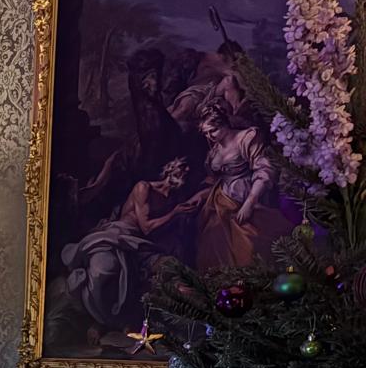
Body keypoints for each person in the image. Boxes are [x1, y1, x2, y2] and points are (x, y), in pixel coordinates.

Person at [61, 158, 196, 337]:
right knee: (105, 269)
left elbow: (159, 231)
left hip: (143, 246)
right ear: (170, 168)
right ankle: (103, 321)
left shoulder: (173, 199)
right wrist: (175, 213)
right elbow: (146, 226)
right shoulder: (144, 187)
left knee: (171, 267)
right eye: (182, 167)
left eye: (188, 170)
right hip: (119, 235)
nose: (185, 171)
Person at [189, 97, 286, 268]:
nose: (210, 136)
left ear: (224, 123)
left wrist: (249, 202)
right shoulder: (214, 152)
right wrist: (200, 195)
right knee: (215, 243)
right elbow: (214, 179)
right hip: (220, 201)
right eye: (205, 133)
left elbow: (264, 170)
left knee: (250, 247)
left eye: (213, 130)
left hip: (246, 197)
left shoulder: (246, 138)